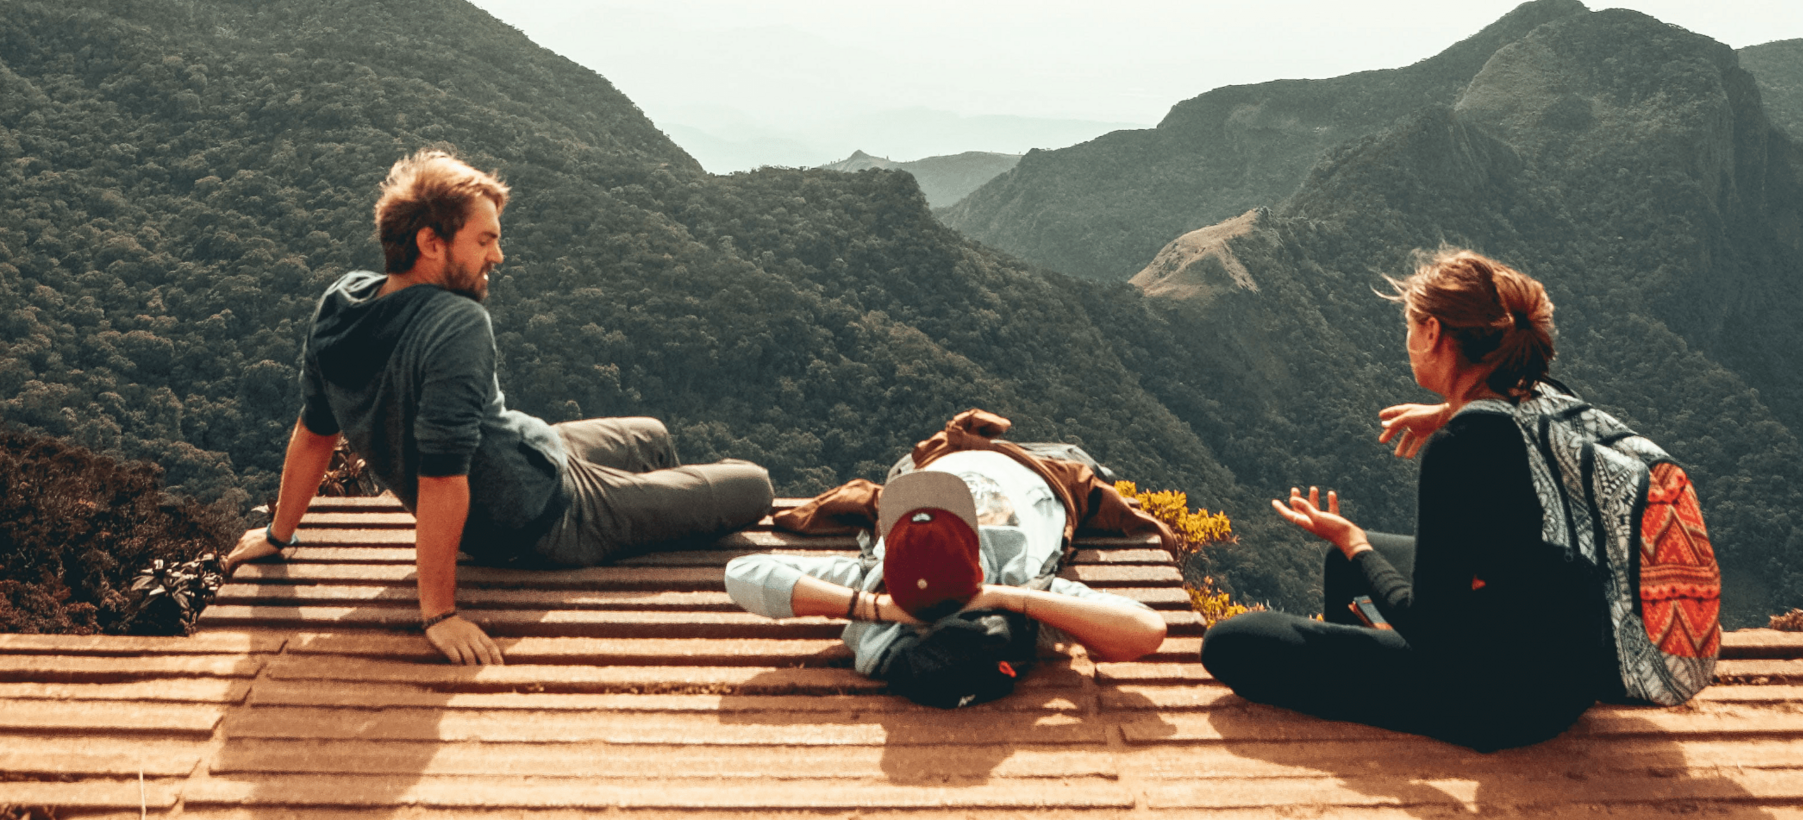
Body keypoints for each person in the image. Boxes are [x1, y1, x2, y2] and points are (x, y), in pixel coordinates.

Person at [224, 149, 773, 665]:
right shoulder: (456, 324)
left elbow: (315, 430)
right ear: (431, 243)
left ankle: (660, 508)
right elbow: (441, 477)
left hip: (532, 450)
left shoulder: (341, 303)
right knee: (754, 486)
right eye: (485, 240)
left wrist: (279, 534)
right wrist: (439, 613)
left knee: (651, 433)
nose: (499, 256)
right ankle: (653, 515)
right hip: (543, 516)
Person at [1201, 248, 1618, 751]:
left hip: (1503, 703)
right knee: (1341, 562)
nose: (1408, 339)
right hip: (1572, 671)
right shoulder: (1545, 395)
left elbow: (1433, 631)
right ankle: (1370, 677)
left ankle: (1385, 690)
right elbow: (1504, 427)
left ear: (1434, 333)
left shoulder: (1458, 449)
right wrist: (1448, 410)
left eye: (1410, 326)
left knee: (1231, 642)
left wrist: (1354, 539)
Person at [724, 431, 1168, 691]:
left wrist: (874, 607)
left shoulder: (874, 579)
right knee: (1080, 452)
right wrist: (1002, 596)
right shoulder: (1018, 578)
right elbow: (1146, 631)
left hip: (927, 462)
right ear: (977, 560)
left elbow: (741, 573)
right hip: (1041, 464)